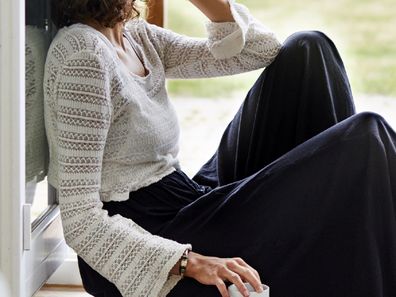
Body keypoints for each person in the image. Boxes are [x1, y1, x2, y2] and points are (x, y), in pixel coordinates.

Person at [44, 0, 396, 296]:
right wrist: (189, 262)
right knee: (366, 138)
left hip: (185, 196)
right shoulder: (84, 59)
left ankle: (343, 231)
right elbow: (80, 220)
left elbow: (262, 50)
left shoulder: (135, 36)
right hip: (151, 234)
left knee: (308, 50)